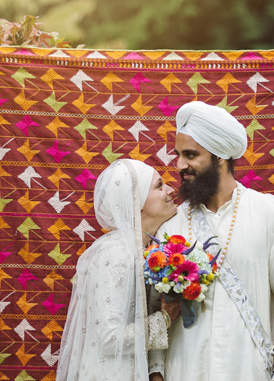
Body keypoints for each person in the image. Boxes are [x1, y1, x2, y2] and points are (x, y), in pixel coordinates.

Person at [148, 101, 274, 381]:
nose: (180, 165)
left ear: (220, 156)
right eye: (178, 155)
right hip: (185, 371)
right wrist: (156, 370)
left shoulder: (271, 214)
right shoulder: (170, 225)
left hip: (250, 371)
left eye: (191, 155)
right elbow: (155, 308)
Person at [57, 159, 182, 381]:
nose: (172, 190)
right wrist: (165, 318)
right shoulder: (116, 253)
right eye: (159, 186)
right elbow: (110, 337)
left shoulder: (140, 251)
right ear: (137, 201)